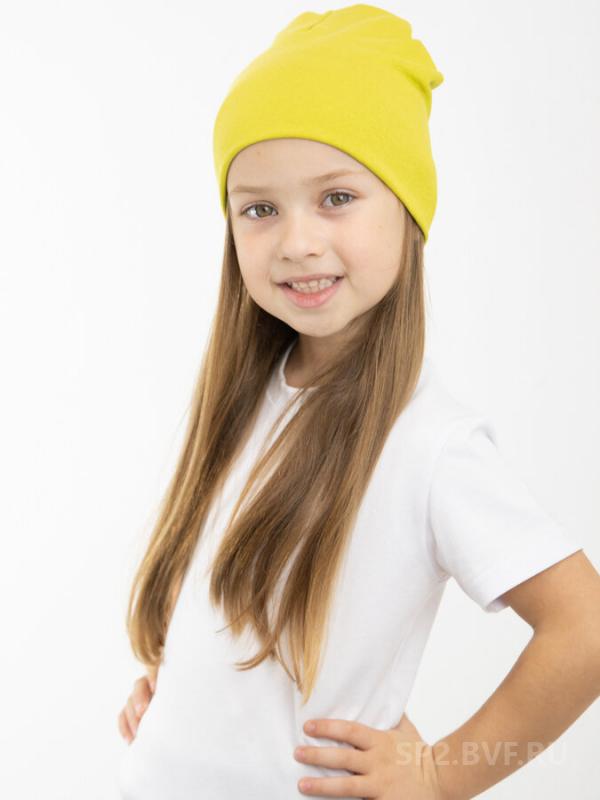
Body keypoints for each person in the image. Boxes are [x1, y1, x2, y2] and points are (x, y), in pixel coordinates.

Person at [116, 5, 600, 799]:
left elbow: (586, 628)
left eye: (336, 197)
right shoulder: (249, 402)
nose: (297, 241)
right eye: (260, 209)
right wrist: (184, 698)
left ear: (407, 211)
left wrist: (441, 775)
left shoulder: (430, 445)